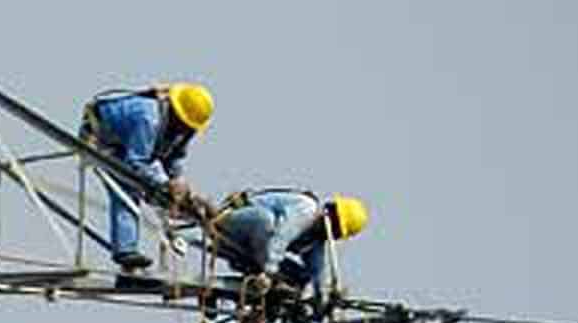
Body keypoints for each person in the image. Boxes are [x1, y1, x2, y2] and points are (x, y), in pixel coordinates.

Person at [78, 83, 215, 272]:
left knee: (157, 190)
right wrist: (165, 183)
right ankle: (125, 251)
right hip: (99, 134)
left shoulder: (181, 129)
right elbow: (137, 162)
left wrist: (179, 186)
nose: (185, 131)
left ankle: (157, 239)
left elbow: (173, 159)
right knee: (127, 184)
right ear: (176, 114)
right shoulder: (149, 119)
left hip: (125, 142)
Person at [209, 190, 368, 303]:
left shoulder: (315, 238)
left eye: (337, 233)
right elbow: (282, 236)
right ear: (330, 215)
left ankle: (249, 289)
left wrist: (324, 298)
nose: (333, 233)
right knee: (266, 221)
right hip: (235, 224)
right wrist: (269, 272)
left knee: (302, 277)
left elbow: (316, 270)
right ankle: (266, 278)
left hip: (256, 249)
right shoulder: (307, 209)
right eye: (336, 228)